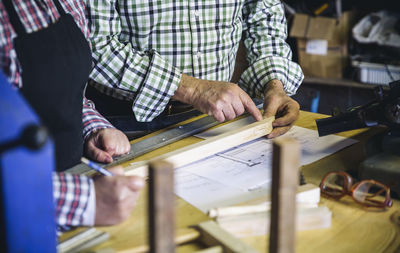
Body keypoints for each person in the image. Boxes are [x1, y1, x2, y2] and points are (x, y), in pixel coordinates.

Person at [0, 0, 144, 231]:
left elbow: (64, 90)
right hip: (18, 224)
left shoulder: (68, 2)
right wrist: (85, 200)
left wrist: (92, 126)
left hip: (71, 206)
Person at [85, 0, 304, 138]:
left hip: (215, 119)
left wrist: (273, 85)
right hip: (123, 123)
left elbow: (264, 17)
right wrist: (193, 89)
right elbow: (93, 45)